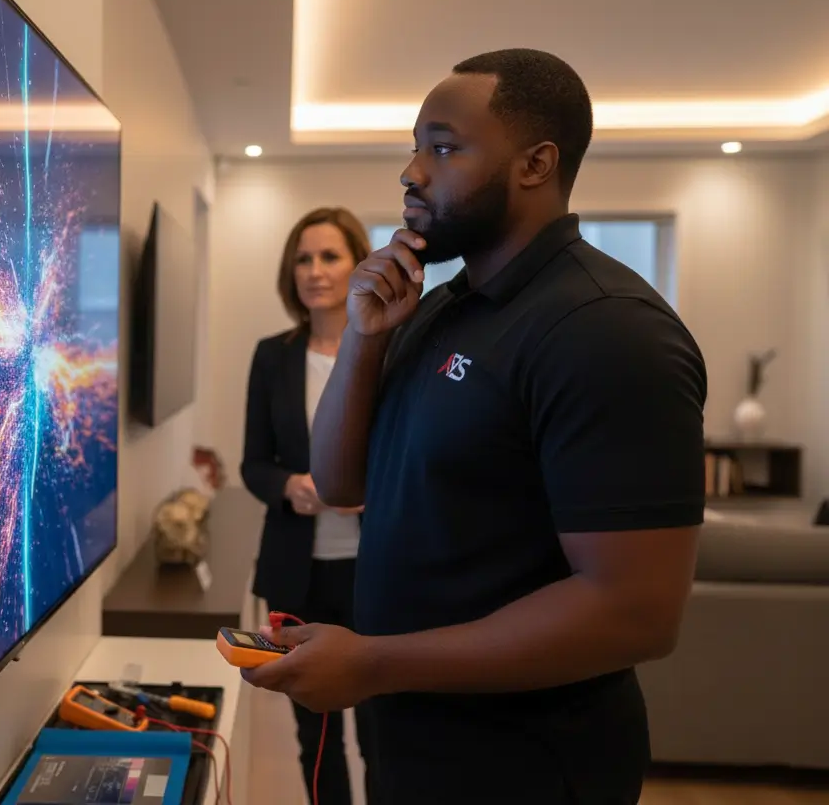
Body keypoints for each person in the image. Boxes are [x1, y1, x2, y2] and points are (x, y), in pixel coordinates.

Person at [243, 49, 707, 804]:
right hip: (417, 745)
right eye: (416, 147)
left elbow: (635, 613)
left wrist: (376, 662)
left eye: (443, 148)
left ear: (536, 164)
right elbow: (340, 482)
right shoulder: (438, 309)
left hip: (525, 768)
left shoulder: (608, 330)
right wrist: (364, 337)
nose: (411, 172)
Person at [240, 206, 378, 805]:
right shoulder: (272, 355)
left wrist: (367, 495)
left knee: (380, 731)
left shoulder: (386, 350)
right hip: (295, 575)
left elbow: (413, 457)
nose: (314, 271)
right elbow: (253, 464)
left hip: (376, 570)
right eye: (303, 258)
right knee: (314, 736)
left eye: (329, 256)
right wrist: (289, 485)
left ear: (358, 264)